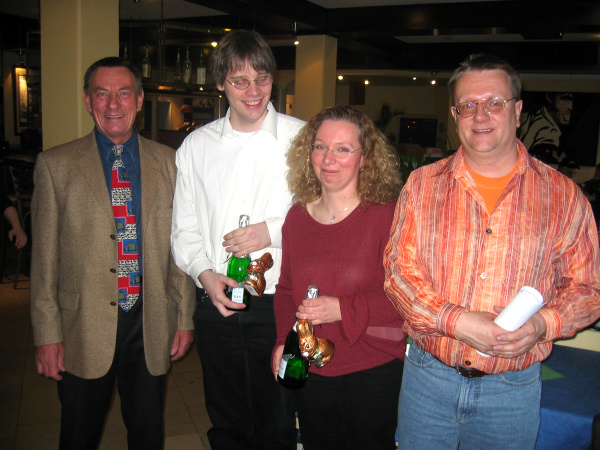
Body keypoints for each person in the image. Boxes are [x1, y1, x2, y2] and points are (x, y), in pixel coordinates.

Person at [384, 54, 600, 450]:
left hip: (512, 391)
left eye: (494, 102)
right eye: (468, 105)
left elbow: (589, 288)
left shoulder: (564, 196)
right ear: (455, 115)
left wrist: (541, 325)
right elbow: (398, 274)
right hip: (427, 379)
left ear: (517, 111)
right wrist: (458, 321)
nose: (480, 115)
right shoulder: (421, 185)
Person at [30, 57, 195, 449]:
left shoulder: (170, 163)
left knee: (147, 435)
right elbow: (44, 261)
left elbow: (180, 246)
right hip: (82, 326)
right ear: (88, 101)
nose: (113, 104)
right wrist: (47, 334)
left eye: (123, 93)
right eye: (102, 94)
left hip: (150, 321)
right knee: (78, 435)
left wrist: (184, 317)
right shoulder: (56, 165)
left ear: (139, 100)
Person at [170, 30, 305, 449]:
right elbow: (184, 228)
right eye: (240, 81)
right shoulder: (196, 147)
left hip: (282, 303)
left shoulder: (304, 139)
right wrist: (204, 274)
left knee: (279, 418)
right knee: (226, 419)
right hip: (218, 302)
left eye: (262, 79)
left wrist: (271, 231)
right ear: (219, 84)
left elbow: (328, 216)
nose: (253, 91)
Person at [271, 106, 406, 450]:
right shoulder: (296, 218)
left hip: (373, 364)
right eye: (320, 147)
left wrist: (342, 309)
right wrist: (282, 342)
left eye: (343, 149)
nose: (328, 159)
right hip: (312, 365)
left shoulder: (388, 215)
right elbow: (286, 290)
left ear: (365, 158)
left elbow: (405, 293)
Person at [518, 92, 573, 164]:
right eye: (565, 99)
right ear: (550, 98)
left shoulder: (535, 116)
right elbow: (545, 144)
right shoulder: (549, 129)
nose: (570, 107)